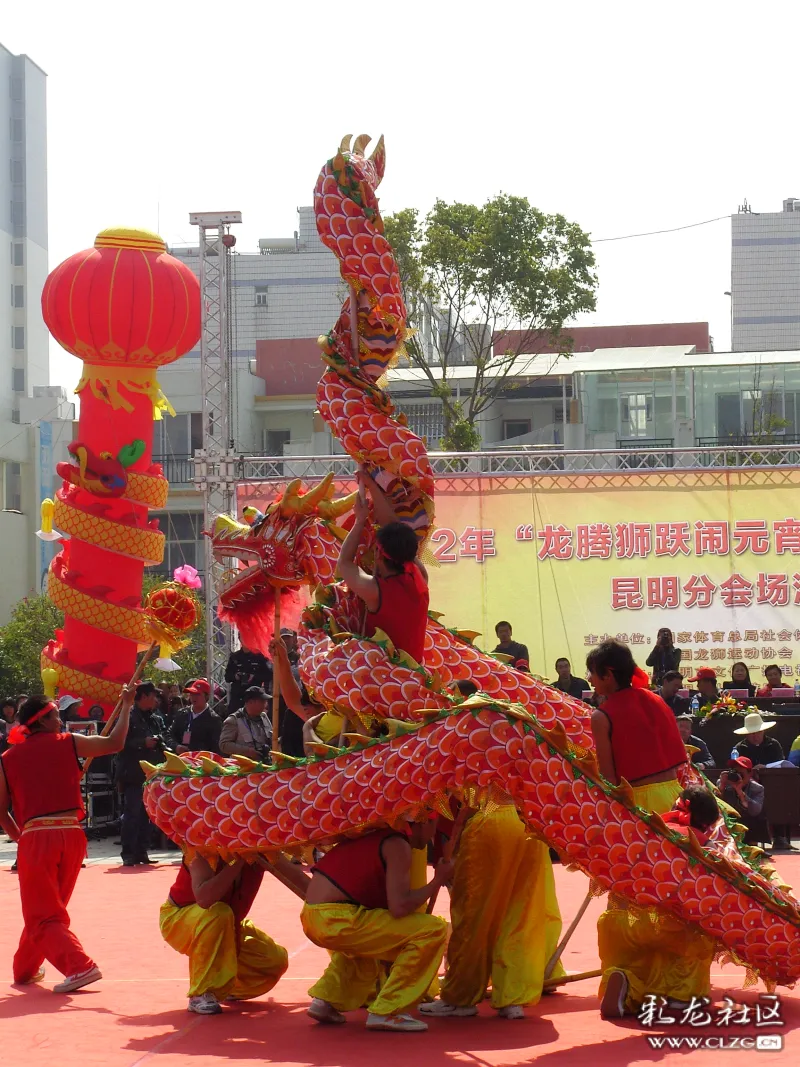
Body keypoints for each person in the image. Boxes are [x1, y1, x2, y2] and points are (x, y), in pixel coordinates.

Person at [586, 640, 705, 1019]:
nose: (590, 680)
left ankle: (627, 973)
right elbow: (678, 758)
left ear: (608, 675)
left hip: (634, 805)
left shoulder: (603, 715)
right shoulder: (657, 701)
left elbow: (608, 779)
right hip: (674, 800)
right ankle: (679, 991)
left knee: (631, 895)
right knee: (680, 894)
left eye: (594, 673)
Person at [0, 687, 134, 992]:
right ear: (43, 720)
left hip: (37, 837)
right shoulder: (69, 743)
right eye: (57, 716)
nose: (61, 721)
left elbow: (1, 811)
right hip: (73, 836)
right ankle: (24, 969)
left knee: (43, 913)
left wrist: (20, 839)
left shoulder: (8, 758)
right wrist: (125, 706)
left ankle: (80, 966)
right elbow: (115, 742)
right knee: (48, 910)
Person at [420, 798, 564, 1021]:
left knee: (472, 915)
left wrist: (449, 851)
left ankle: (460, 997)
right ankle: (512, 997)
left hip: (489, 819)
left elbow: (464, 804)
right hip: (527, 822)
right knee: (518, 913)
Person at [301, 819, 451, 1032]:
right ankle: (389, 1011)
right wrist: (438, 880)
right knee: (432, 929)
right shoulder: (397, 844)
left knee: (366, 951)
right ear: (422, 823)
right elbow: (399, 907)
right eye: (433, 827)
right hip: (339, 917)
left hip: (316, 916)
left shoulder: (373, 835)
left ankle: (327, 1000)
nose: (432, 836)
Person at [598, 784, 718, 1019]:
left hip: (617, 921)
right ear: (706, 823)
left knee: (635, 963)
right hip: (664, 924)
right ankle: (683, 995)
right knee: (700, 933)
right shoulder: (702, 843)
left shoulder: (643, 828)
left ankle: (627, 984)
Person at [160, 852, 289, 1015]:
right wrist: (239, 860)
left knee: (274, 961)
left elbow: (298, 880)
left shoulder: (264, 850)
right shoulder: (201, 850)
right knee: (219, 912)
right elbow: (205, 899)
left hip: (228, 923)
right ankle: (202, 992)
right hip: (180, 919)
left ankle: (230, 988)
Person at [338, 484, 429, 666]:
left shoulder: (376, 591)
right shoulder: (420, 577)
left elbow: (344, 564)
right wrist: (371, 483)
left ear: (378, 556)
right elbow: (392, 525)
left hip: (383, 681)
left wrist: (359, 521)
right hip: (415, 679)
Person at [116, 681, 167, 867]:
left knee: (148, 814)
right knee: (132, 814)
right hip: (133, 773)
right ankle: (128, 852)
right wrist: (141, 742)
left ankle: (142, 850)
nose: (156, 700)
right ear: (143, 696)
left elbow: (164, 738)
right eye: (153, 695)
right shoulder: (127, 716)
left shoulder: (156, 718)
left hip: (151, 773)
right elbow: (118, 741)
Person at [733, 712, 793, 850]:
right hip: (749, 785)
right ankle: (748, 837)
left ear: (763, 731)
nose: (755, 736)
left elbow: (781, 763)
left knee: (780, 796)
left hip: (773, 784)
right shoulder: (740, 748)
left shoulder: (773, 744)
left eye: (758, 732)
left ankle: (779, 837)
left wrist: (765, 768)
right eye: (752, 733)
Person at [719, 757, 768, 846]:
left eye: (741, 773)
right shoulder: (724, 783)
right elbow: (715, 804)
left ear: (750, 773)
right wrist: (722, 787)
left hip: (747, 819)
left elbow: (755, 811)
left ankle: (753, 845)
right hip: (728, 818)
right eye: (735, 772)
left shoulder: (757, 788)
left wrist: (740, 792)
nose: (738, 776)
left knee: (759, 814)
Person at [219, 687, 272, 761]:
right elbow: (224, 745)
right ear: (250, 702)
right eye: (262, 702)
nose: (265, 705)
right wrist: (248, 751)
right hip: (243, 766)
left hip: (265, 763)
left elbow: (271, 737)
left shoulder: (264, 716)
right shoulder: (234, 720)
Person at [169, 679, 222, 755]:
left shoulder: (214, 719)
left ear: (206, 696)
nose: (193, 697)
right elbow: (169, 734)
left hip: (200, 763)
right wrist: (176, 746)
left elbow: (216, 748)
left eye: (197, 694)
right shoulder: (182, 714)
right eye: (191, 694)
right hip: (180, 760)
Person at [224, 644, 273, 715]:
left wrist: (254, 676)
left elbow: (268, 675)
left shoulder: (259, 656)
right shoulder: (235, 657)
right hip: (238, 697)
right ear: (239, 639)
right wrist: (236, 676)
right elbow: (227, 677)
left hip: (254, 697)